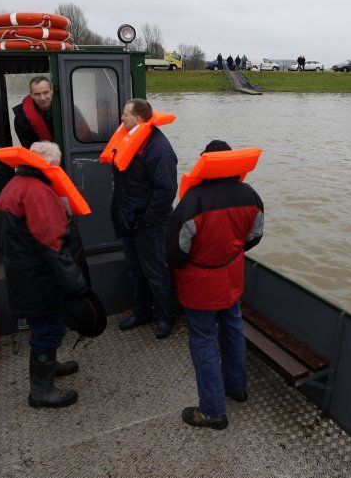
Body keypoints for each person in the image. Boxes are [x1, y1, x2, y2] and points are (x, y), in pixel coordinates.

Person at [166, 140, 264, 429]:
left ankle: (211, 410)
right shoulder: (250, 195)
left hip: (200, 284)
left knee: (204, 339)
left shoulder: (193, 200)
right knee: (233, 329)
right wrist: (231, 252)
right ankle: (236, 388)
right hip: (231, 278)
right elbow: (255, 236)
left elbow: (175, 250)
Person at [0, 141, 90, 408]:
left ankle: (51, 366)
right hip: (39, 277)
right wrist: (77, 283)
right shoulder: (37, 193)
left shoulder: (15, 186)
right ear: (49, 165)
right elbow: (54, 245)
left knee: (44, 326)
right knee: (47, 329)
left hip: (24, 272)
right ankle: (41, 391)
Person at [110, 98, 178, 338]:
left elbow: (166, 191)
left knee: (156, 271)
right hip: (129, 219)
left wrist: (147, 219)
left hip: (150, 224)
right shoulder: (128, 140)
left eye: (124, 115)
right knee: (134, 269)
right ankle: (140, 312)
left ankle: (164, 316)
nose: (121, 119)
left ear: (138, 119)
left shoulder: (159, 149)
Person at [13, 76, 55, 148]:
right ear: (31, 95)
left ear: (52, 91)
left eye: (45, 92)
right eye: (37, 94)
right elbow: (30, 148)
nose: (42, 98)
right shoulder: (21, 119)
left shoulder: (68, 108)